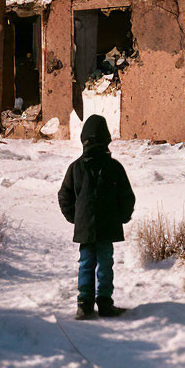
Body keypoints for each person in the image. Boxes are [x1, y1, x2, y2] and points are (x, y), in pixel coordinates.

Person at [58, 114, 136, 320]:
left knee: (86, 263)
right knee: (104, 263)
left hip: (86, 228)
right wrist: (122, 217)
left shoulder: (76, 167)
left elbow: (64, 194)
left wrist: (76, 218)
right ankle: (104, 304)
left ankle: (84, 305)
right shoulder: (113, 166)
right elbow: (127, 196)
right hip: (107, 226)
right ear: (106, 139)